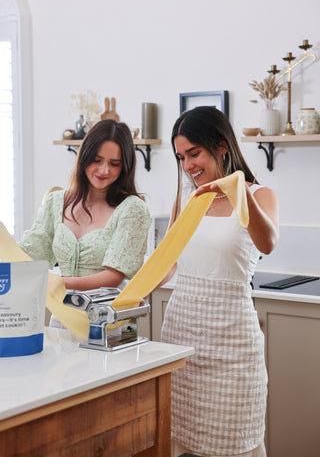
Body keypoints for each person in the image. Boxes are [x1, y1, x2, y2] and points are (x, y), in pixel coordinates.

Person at [161, 106, 279, 457]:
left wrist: (237, 191)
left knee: (234, 442)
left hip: (233, 349)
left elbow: (267, 243)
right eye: (181, 157)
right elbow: (168, 261)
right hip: (182, 338)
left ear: (222, 146)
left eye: (194, 153)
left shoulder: (260, 196)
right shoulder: (186, 199)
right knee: (180, 442)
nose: (187, 166)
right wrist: (126, 294)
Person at [20, 119, 151, 327]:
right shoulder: (56, 203)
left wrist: (60, 284)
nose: (104, 170)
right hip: (61, 320)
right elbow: (28, 254)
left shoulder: (132, 209)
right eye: (97, 160)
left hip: (109, 324)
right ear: (84, 158)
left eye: (114, 163)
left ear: (125, 167)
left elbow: (113, 276)